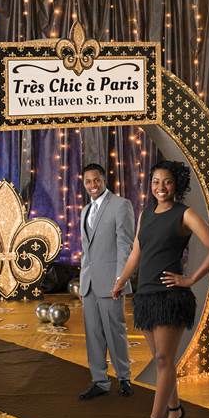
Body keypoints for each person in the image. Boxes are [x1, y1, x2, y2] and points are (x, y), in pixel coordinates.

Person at [112, 160, 209, 418]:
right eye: (155, 182)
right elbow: (137, 253)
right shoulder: (146, 214)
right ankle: (175, 410)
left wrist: (189, 280)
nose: (160, 187)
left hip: (169, 298)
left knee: (164, 360)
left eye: (167, 182)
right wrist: (121, 280)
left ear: (177, 185)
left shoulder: (184, 214)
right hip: (146, 296)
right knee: (162, 362)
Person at [79, 162, 135, 399]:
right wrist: (83, 279)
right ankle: (99, 381)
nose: (93, 185)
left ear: (104, 180)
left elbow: (125, 245)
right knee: (93, 334)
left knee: (115, 331)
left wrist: (120, 279)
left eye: (96, 180)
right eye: (88, 181)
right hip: (89, 283)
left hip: (112, 282)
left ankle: (124, 378)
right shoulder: (85, 211)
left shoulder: (120, 205)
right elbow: (87, 251)